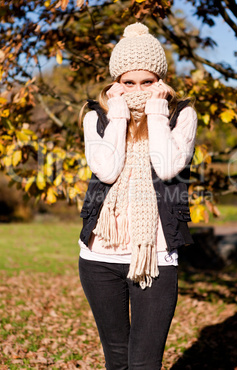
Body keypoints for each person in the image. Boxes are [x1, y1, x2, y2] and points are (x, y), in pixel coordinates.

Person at [78, 22, 197, 370]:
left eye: (147, 81)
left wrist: (156, 111)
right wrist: (117, 115)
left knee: (145, 362)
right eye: (129, 82)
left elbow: (166, 167)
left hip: (156, 257)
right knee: (117, 360)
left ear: (160, 80)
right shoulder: (96, 117)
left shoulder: (180, 114)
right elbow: (108, 170)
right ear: (116, 82)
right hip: (100, 257)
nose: (138, 88)